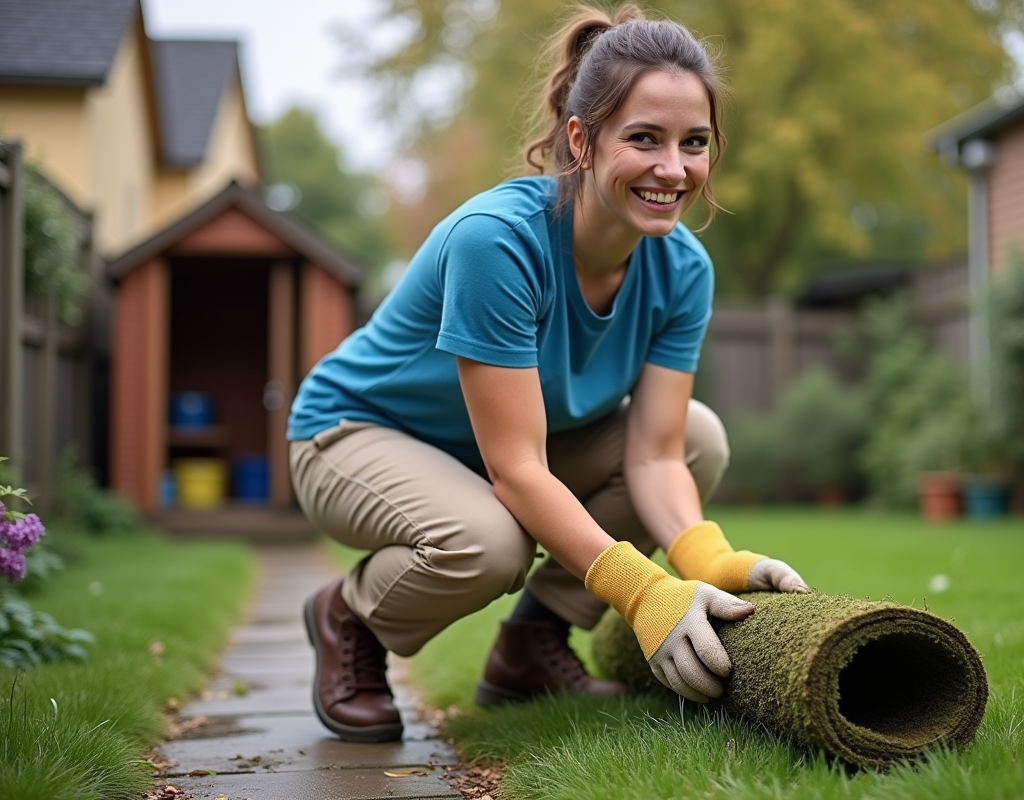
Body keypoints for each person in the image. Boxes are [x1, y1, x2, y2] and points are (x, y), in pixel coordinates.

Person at [288, 3, 809, 744]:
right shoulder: (497, 243)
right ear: (582, 139)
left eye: (694, 143)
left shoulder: (684, 268)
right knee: (489, 543)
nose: (673, 169)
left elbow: (657, 455)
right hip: (353, 434)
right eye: (644, 139)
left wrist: (706, 557)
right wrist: (645, 592)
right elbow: (519, 470)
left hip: (498, 454)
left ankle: (531, 645)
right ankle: (349, 617)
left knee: (699, 439)